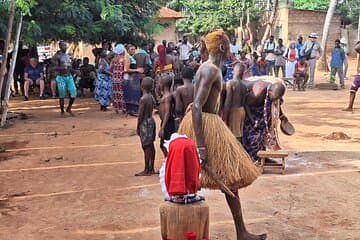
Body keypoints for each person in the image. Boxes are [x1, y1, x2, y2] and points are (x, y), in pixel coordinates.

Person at [177, 30, 265, 240]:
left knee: (226, 180)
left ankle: (241, 231)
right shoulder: (210, 71)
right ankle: (187, 231)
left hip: (207, 124)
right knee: (202, 179)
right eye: (230, 44)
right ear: (223, 48)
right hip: (205, 126)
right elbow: (197, 106)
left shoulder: (211, 69)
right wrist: (201, 147)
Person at [242, 77, 289, 161]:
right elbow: (245, 104)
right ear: (270, 91)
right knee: (253, 137)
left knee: (264, 135)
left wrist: (281, 116)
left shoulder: (274, 93)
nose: (274, 100)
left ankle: (262, 157)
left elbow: (276, 103)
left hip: (261, 116)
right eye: (273, 98)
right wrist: (253, 121)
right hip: (251, 113)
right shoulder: (257, 93)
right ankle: (253, 158)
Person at [136, 77, 156, 176]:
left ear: (142, 86)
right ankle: (151, 167)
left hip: (145, 123)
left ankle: (146, 169)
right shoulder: (151, 97)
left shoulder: (143, 99)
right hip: (151, 121)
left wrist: (138, 126)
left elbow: (140, 114)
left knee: (146, 146)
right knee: (151, 145)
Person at [52, 41, 77, 116]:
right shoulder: (57, 56)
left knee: (73, 92)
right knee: (62, 94)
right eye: (63, 46)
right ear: (60, 47)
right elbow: (54, 68)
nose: (65, 47)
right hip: (61, 77)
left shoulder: (68, 56)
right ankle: (62, 111)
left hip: (69, 76)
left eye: (66, 46)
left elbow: (70, 68)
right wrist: (61, 68)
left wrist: (75, 71)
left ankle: (69, 108)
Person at [223, 63, 247, 142]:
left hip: (234, 112)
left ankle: (237, 153)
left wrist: (225, 118)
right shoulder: (244, 85)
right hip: (241, 111)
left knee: (234, 137)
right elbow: (244, 102)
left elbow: (228, 102)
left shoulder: (230, 83)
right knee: (239, 134)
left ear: (234, 71)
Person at [123, 44, 143, 115]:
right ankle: (132, 110)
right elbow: (126, 69)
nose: (133, 50)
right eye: (132, 49)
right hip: (130, 79)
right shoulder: (127, 57)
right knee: (132, 93)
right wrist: (137, 70)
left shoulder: (132, 57)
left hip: (133, 78)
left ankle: (132, 110)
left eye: (134, 49)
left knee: (134, 93)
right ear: (128, 50)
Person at [158, 75, 176, 157]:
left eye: (160, 82)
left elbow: (168, 112)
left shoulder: (167, 96)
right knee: (164, 145)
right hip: (165, 122)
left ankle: (169, 162)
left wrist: (162, 128)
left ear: (163, 84)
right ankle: (168, 162)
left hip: (167, 123)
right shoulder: (165, 95)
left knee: (165, 145)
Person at [343, 41, 360, 112]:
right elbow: (358, 67)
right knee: (352, 90)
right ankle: (350, 107)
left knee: (353, 90)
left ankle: (350, 107)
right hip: (359, 76)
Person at [110, 44, 127, 114]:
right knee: (121, 93)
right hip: (121, 77)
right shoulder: (123, 59)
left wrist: (114, 72)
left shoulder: (113, 59)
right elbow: (125, 69)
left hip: (114, 78)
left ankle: (116, 108)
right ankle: (123, 108)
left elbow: (110, 68)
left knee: (115, 93)